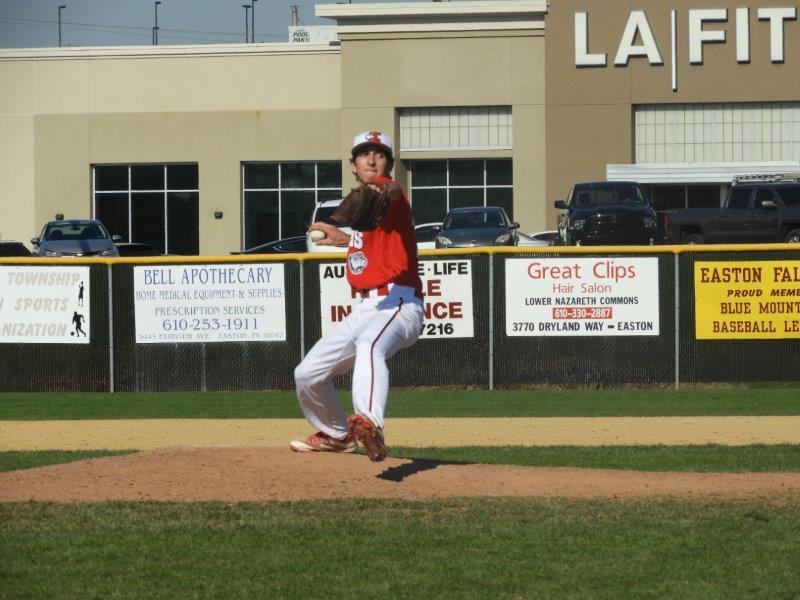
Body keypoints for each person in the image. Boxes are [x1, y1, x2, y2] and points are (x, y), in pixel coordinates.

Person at [290, 130, 424, 462]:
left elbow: (386, 193)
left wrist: (376, 189)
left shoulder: (392, 195)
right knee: (307, 374)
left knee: (370, 343)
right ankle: (337, 435)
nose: (372, 159)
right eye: (365, 154)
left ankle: (371, 425)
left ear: (389, 164)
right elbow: (371, 245)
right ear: (352, 164)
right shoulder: (367, 223)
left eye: (379, 154)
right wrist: (341, 238)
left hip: (398, 302)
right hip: (365, 307)